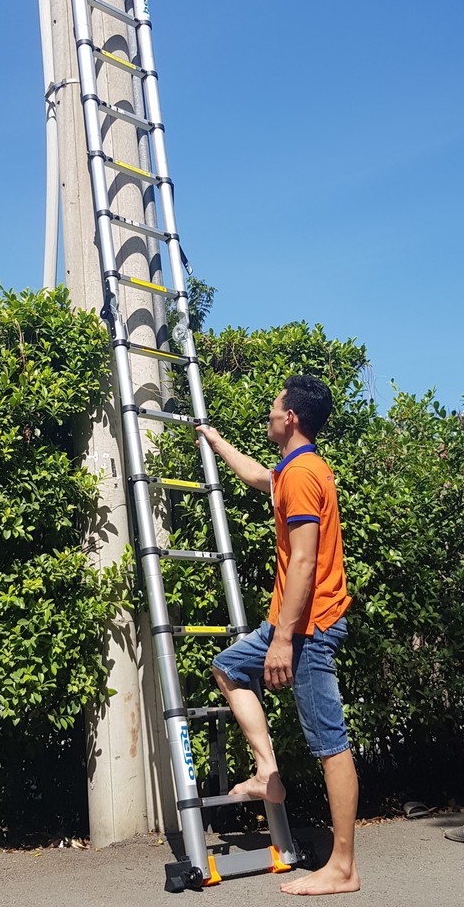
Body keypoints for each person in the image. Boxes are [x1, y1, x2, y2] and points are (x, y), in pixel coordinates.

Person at [196, 375, 360, 896]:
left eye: (273, 408)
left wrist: (284, 641)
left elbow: (306, 561)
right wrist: (215, 439)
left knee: (330, 744)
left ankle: (343, 867)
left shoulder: (304, 474)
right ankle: (268, 773)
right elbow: (256, 476)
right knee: (228, 667)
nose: (268, 415)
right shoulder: (292, 470)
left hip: (309, 626)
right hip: (290, 622)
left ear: (290, 418)